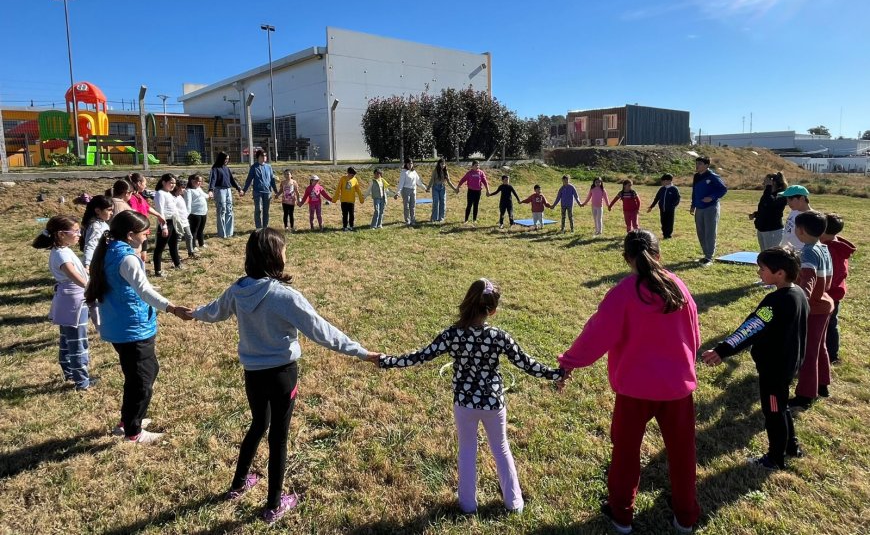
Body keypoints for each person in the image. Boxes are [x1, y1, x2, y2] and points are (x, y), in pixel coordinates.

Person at [181, 228, 373, 524]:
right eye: (283, 249)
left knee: (259, 424)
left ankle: (238, 484)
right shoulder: (285, 296)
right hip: (283, 375)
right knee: (279, 437)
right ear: (274, 256)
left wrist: (193, 313)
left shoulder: (238, 289)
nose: (286, 253)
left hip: (253, 375)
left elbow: (214, 311)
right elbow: (322, 332)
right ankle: (273, 505)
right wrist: (362, 352)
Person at [373, 278, 564, 514]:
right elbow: (527, 364)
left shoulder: (452, 334)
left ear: (467, 302)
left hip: (464, 403)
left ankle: (467, 505)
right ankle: (514, 503)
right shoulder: (499, 337)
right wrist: (557, 373)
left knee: (466, 450)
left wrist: (385, 361)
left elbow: (419, 356)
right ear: (492, 311)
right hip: (493, 403)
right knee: (501, 448)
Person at [558, 230, 701, 534]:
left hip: (635, 391)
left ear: (626, 258)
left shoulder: (623, 293)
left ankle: (622, 516)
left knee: (625, 452)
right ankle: (685, 517)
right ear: (658, 254)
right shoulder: (679, 287)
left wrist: (569, 362)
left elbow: (596, 335)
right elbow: (694, 334)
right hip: (677, 388)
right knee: (682, 453)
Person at [84, 210, 190, 443]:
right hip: (132, 328)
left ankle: (130, 419)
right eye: (145, 233)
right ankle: (133, 432)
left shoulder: (111, 251)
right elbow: (145, 291)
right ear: (130, 235)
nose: (147, 237)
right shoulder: (127, 259)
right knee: (142, 380)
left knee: (143, 373)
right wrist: (172, 308)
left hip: (120, 326)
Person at [701, 248, 808, 470]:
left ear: (779, 273)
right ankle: (791, 446)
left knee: (773, 411)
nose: (758, 272)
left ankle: (775, 458)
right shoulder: (799, 293)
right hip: (789, 364)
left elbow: (752, 328)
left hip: (774, 369)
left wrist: (722, 350)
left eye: (762, 269)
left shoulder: (775, 302)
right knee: (782, 404)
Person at [33, 216, 94, 391]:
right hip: (74, 303)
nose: (79, 235)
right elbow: (79, 280)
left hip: (69, 300)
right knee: (77, 341)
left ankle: (71, 373)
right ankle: (82, 382)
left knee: (67, 340)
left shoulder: (63, 250)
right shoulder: (61, 255)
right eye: (75, 231)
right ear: (61, 234)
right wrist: (94, 289)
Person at [789, 211, 834, 409]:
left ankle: (806, 395)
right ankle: (823, 384)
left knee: (808, 353)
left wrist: (801, 302)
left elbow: (808, 279)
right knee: (819, 347)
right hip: (824, 304)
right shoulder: (823, 248)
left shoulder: (808, 252)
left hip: (813, 309)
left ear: (801, 231)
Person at [820, 214, 856, 365]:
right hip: (831, 293)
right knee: (829, 323)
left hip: (829, 294)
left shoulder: (831, 250)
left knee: (829, 324)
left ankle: (832, 355)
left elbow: (834, 275)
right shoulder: (834, 244)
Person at [689, 156, 727, 266]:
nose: (697, 166)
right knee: (701, 232)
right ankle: (705, 255)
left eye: (700, 164)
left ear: (706, 165)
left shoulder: (713, 176)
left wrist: (712, 197)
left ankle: (709, 257)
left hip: (711, 207)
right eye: (696, 163)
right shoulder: (696, 176)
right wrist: (693, 205)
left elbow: (723, 189)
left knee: (710, 232)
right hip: (699, 207)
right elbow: (694, 192)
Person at [749, 172, 788, 250]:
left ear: (772, 182)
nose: (763, 183)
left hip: (773, 231)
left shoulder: (781, 195)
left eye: (765, 181)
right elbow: (766, 208)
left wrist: (768, 187)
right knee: (764, 255)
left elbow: (771, 204)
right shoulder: (768, 194)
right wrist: (756, 214)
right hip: (762, 229)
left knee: (771, 257)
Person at [208, 151, 243, 238]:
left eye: (228, 159)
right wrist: (211, 190)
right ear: (221, 158)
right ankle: (222, 233)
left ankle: (229, 232)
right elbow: (213, 180)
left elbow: (232, 180)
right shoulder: (215, 168)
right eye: (225, 159)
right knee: (222, 210)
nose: (227, 160)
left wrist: (238, 188)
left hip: (228, 190)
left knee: (229, 210)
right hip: (219, 190)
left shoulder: (227, 168)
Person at [153, 174, 182, 277]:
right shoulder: (160, 194)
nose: (173, 185)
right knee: (160, 248)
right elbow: (160, 211)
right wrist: (163, 227)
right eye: (171, 183)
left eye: (174, 183)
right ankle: (158, 271)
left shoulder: (168, 193)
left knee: (173, 245)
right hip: (165, 222)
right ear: (164, 182)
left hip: (172, 222)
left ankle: (177, 264)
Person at [243, 149, 278, 229]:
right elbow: (249, 180)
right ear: (258, 157)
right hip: (257, 192)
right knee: (258, 209)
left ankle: (265, 227)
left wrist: (276, 191)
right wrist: (244, 190)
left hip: (267, 192)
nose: (265, 157)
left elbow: (272, 180)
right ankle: (258, 228)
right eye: (263, 156)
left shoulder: (269, 167)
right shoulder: (254, 167)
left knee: (266, 211)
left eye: (265, 155)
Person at [80, 194, 114, 270]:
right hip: (96, 262)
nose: (111, 213)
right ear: (98, 211)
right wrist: (87, 263)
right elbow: (91, 245)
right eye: (109, 210)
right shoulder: (95, 226)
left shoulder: (103, 224)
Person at [394, 158, 427, 226]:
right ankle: (407, 220)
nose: (410, 165)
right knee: (406, 206)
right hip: (406, 190)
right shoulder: (404, 172)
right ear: (406, 164)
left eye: (411, 163)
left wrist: (425, 188)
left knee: (413, 206)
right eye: (409, 163)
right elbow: (401, 183)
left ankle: (413, 219)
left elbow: (419, 182)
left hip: (413, 190)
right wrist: (398, 193)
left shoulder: (414, 172)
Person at [779, 185, 812, 252]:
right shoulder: (794, 211)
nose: (788, 203)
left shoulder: (811, 217)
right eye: (787, 199)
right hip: (786, 251)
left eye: (790, 199)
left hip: (799, 254)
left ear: (802, 198)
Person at [647, 174, 681, 239]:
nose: (662, 182)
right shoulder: (662, 189)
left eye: (663, 181)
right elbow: (657, 198)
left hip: (670, 210)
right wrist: (651, 206)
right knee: (663, 222)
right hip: (662, 209)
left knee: (669, 222)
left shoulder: (674, 189)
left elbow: (677, 198)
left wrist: (673, 205)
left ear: (668, 181)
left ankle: (668, 235)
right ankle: (664, 234)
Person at [456, 160, 489, 225]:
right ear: (472, 166)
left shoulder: (481, 173)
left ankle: (474, 220)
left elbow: (485, 182)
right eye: (476, 165)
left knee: (476, 205)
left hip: (478, 191)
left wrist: (488, 190)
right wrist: (458, 187)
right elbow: (462, 180)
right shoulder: (469, 173)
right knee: (469, 205)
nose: (477, 166)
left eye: (478, 165)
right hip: (471, 191)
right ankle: (466, 220)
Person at [335, 166, 365, 232]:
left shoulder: (355, 180)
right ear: (348, 173)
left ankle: (351, 226)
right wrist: (335, 198)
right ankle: (345, 227)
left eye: (354, 175)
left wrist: (361, 199)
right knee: (345, 214)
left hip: (351, 201)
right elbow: (338, 189)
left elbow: (358, 190)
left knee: (351, 214)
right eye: (352, 175)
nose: (353, 176)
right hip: (344, 200)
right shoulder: (343, 179)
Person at [427, 158, 457, 223]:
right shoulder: (435, 171)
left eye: (444, 164)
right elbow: (432, 180)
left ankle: (441, 218)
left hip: (442, 188)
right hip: (435, 188)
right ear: (439, 164)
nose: (443, 165)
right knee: (436, 202)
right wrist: (428, 188)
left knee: (443, 202)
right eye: (441, 164)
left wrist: (455, 189)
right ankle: (434, 218)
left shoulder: (446, 171)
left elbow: (449, 181)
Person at [171, 179, 196, 259]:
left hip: (184, 220)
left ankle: (191, 252)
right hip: (178, 221)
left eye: (185, 187)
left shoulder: (180, 197)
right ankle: (176, 254)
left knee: (189, 236)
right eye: (182, 187)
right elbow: (173, 210)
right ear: (177, 187)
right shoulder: (172, 198)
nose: (184, 189)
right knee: (178, 238)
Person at [186, 174, 209, 250]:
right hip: (195, 213)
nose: (199, 183)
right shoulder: (189, 191)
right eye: (198, 181)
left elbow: (205, 195)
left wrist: (209, 195)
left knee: (201, 229)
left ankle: (201, 243)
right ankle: (193, 245)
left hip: (203, 212)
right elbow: (188, 203)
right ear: (192, 181)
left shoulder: (198, 188)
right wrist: (187, 214)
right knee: (194, 230)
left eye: (200, 181)